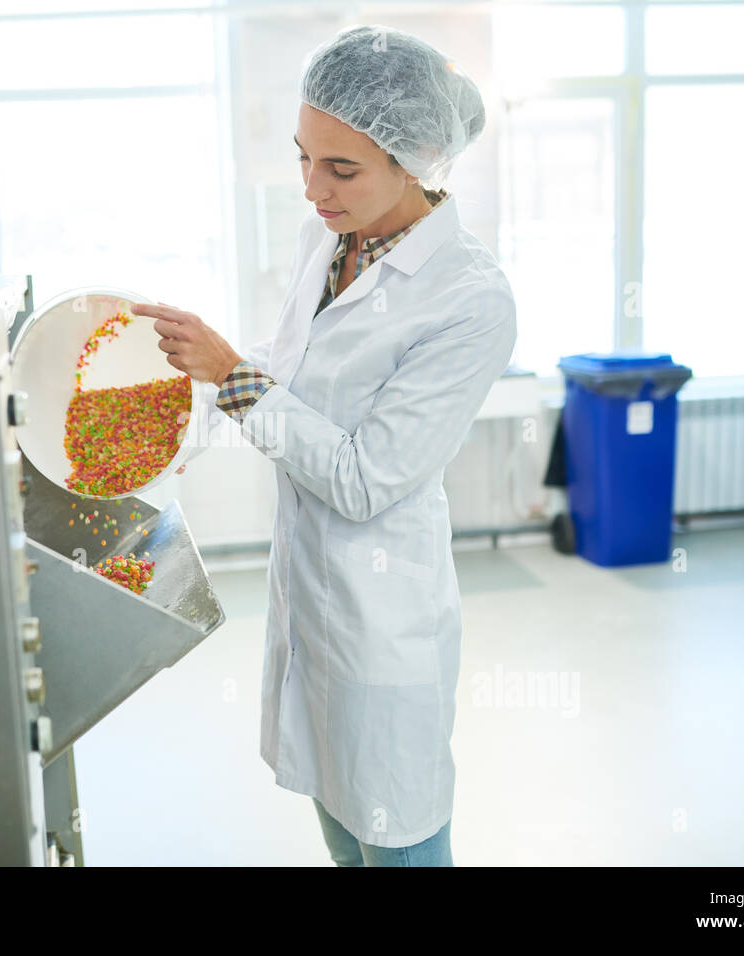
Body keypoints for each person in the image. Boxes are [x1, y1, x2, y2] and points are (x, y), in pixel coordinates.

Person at [134, 24, 517, 867]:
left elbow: (363, 478)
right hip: (310, 594)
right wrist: (183, 396)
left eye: (340, 169)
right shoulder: (331, 240)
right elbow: (298, 372)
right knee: (344, 833)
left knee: (399, 839)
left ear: (412, 163)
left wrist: (233, 377)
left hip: (383, 615)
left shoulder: (470, 300)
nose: (312, 188)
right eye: (305, 156)